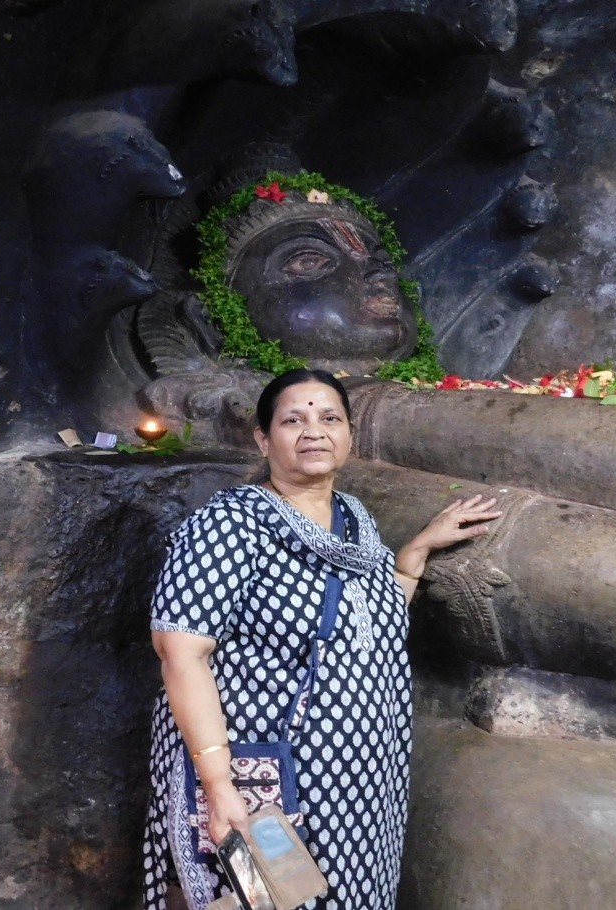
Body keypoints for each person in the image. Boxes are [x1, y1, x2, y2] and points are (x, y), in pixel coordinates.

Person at [143, 368, 501, 910]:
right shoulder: (229, 526)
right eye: (293, 420)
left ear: (349, 435)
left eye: (329, 418)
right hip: (266, 779)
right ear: (264, 439)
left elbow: (366, 623)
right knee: (262, 901)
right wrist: (218, 785)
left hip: (359, 781)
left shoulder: (354, 519)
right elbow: (179, 652)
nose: (314, 431)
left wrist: (415, 554)